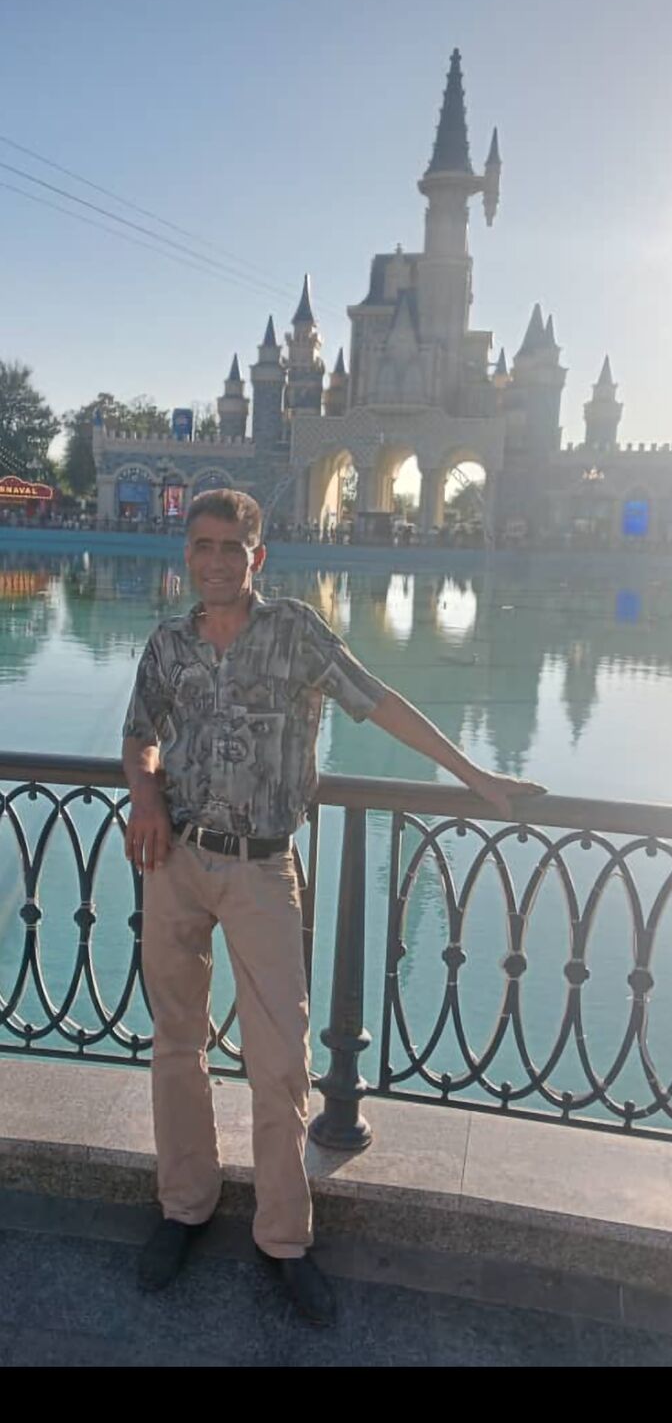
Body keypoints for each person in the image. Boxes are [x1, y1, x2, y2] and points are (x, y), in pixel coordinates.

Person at [122, 488, 545, 1325]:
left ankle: (283, 1238)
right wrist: (143, 793)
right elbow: (142, 732)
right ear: (187, 554)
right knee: (175, 1044)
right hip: (175, 860)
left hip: (261, 870)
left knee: (279, 1060)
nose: (215, 561)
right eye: (202, 545)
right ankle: (184, 1206)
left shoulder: (295, 632)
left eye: (231, 547)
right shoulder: (168, 642)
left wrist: (476, 778)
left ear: (257, 556)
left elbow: (376, 702)